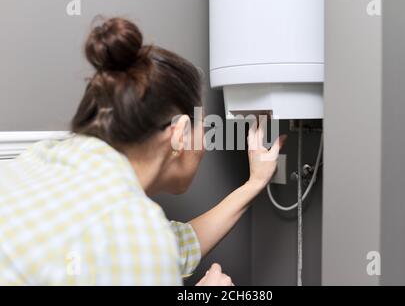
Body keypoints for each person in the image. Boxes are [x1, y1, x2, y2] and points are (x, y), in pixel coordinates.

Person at [0, 17, 285, 285]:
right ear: (180, 134)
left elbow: (173, 246)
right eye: (205, 128)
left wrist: (255, 183)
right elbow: (141, 242)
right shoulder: (135, 230)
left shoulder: (42, 158)